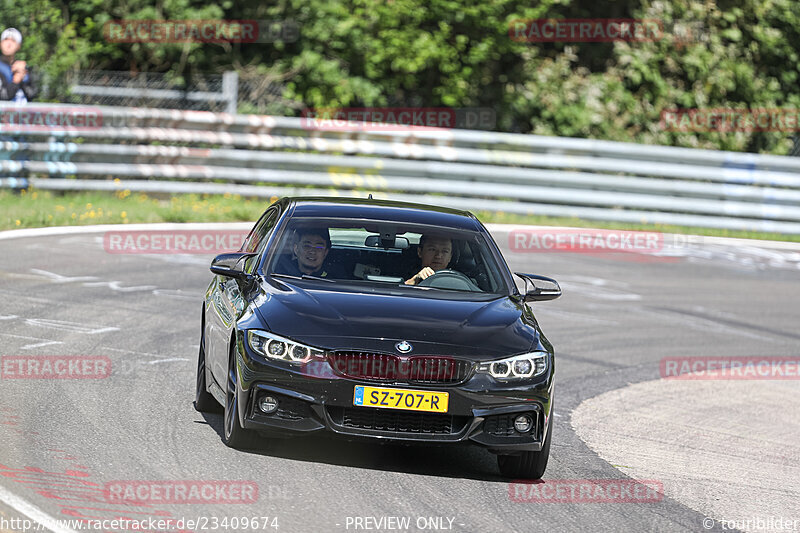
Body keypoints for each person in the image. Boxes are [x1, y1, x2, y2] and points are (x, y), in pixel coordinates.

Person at [0, 28, 37, 102]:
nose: (8, 44)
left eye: (13, 41)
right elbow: (3, 97)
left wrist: (22, 78)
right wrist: (16, 81)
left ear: (18, 46)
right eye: (6, 39)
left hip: (22, 113)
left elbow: (32, 95)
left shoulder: (22, 67)